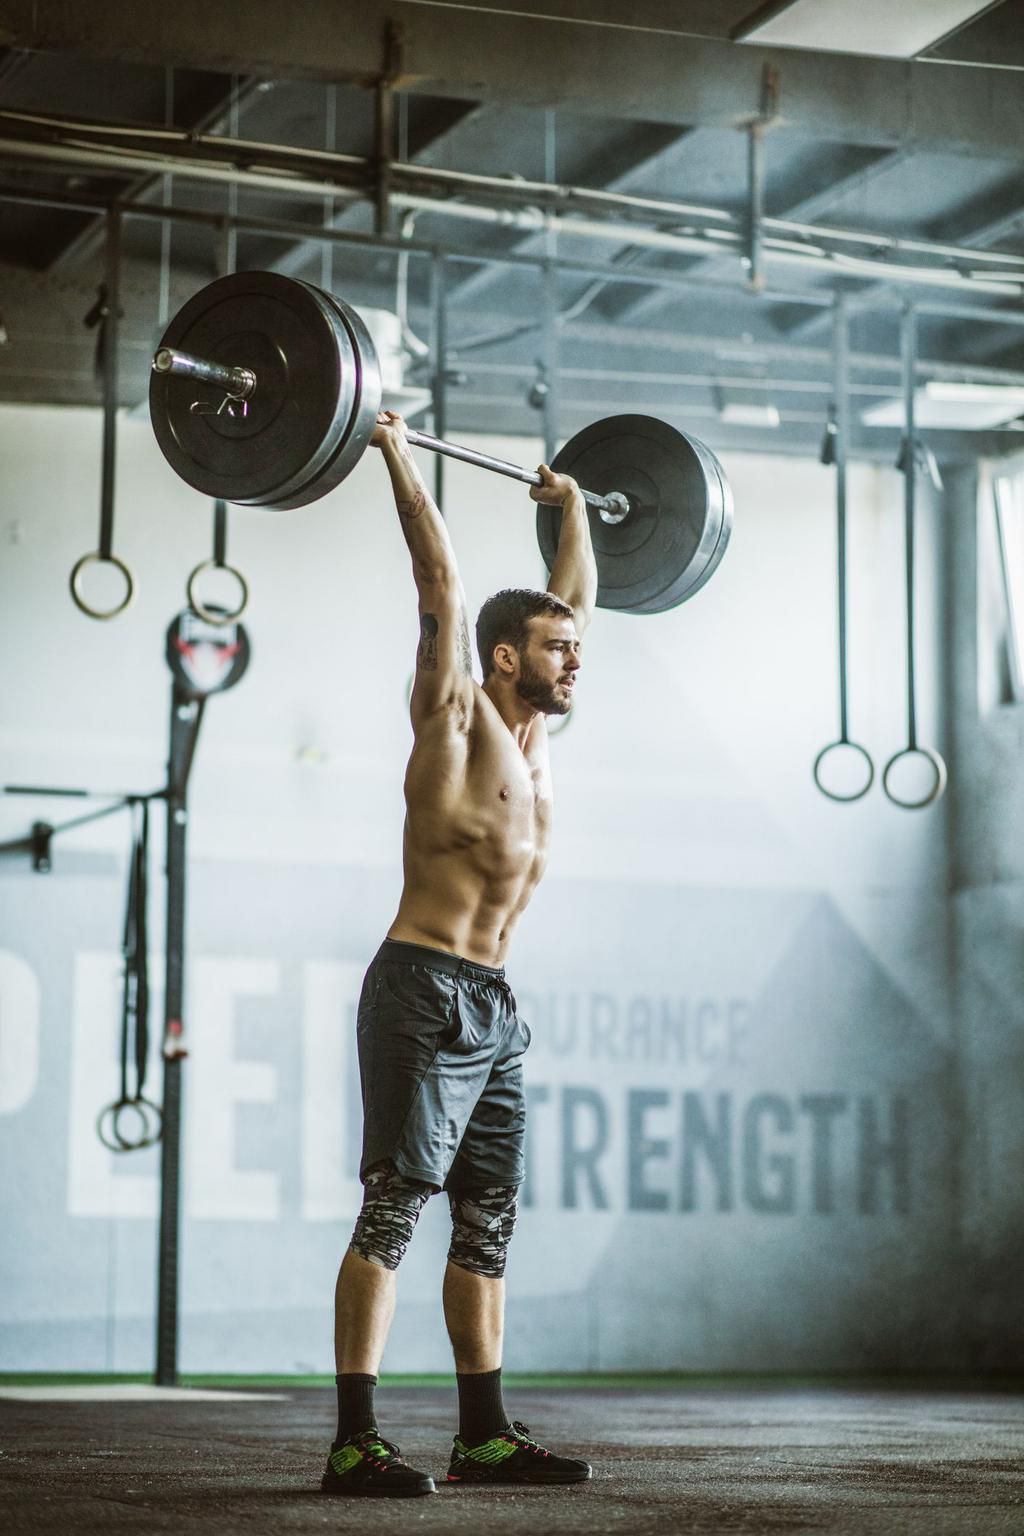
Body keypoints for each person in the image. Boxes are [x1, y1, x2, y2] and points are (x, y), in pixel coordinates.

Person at [321, 410, 597, 1498]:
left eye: (573, 647)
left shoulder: (538, 743)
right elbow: (438, 580)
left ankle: (481, 1435)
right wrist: (394, 450)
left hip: (496, 1000)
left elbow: (572, 599)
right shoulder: (449, 716)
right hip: (422, 983)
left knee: (489, 1218)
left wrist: (570, 510)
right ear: (501, 656)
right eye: (556, 648)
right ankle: (354, 1439)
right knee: (396, 1205)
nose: (576, 660)